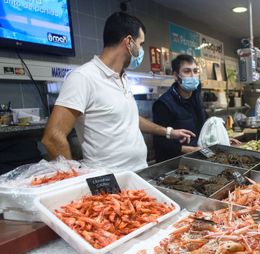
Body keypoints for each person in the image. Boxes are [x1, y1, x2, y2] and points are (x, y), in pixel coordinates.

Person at [41, 12, 194, 171]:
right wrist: (71, 181)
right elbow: (52, 137)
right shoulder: (83, 77)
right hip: (109, 182)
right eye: (141, 44)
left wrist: (169, 132)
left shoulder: (123, 77)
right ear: (129, 42)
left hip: (138, 172)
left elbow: (128, 117)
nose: (141, 50)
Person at [152, 54, 206, 162]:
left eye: (195, 71)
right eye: (187, 71)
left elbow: (204, 123)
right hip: (172, 164)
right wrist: (190, 149)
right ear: (176, 76)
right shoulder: (164, 104)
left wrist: (219, 136)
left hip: (195, 159)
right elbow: (159, 142)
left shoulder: (196, 96)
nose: (192, 75)